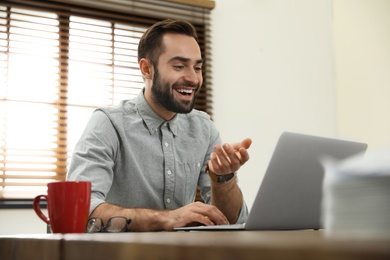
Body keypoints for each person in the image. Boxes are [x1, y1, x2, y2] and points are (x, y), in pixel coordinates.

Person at [67, 19, 252, 231]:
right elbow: (81, 208)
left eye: (198, 67)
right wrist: (167, 219)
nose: (193, 78)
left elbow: (231, 223)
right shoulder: (108, 124)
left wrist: (224, 178)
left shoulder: (204, 129)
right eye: (179, 66)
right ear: (147, 69)